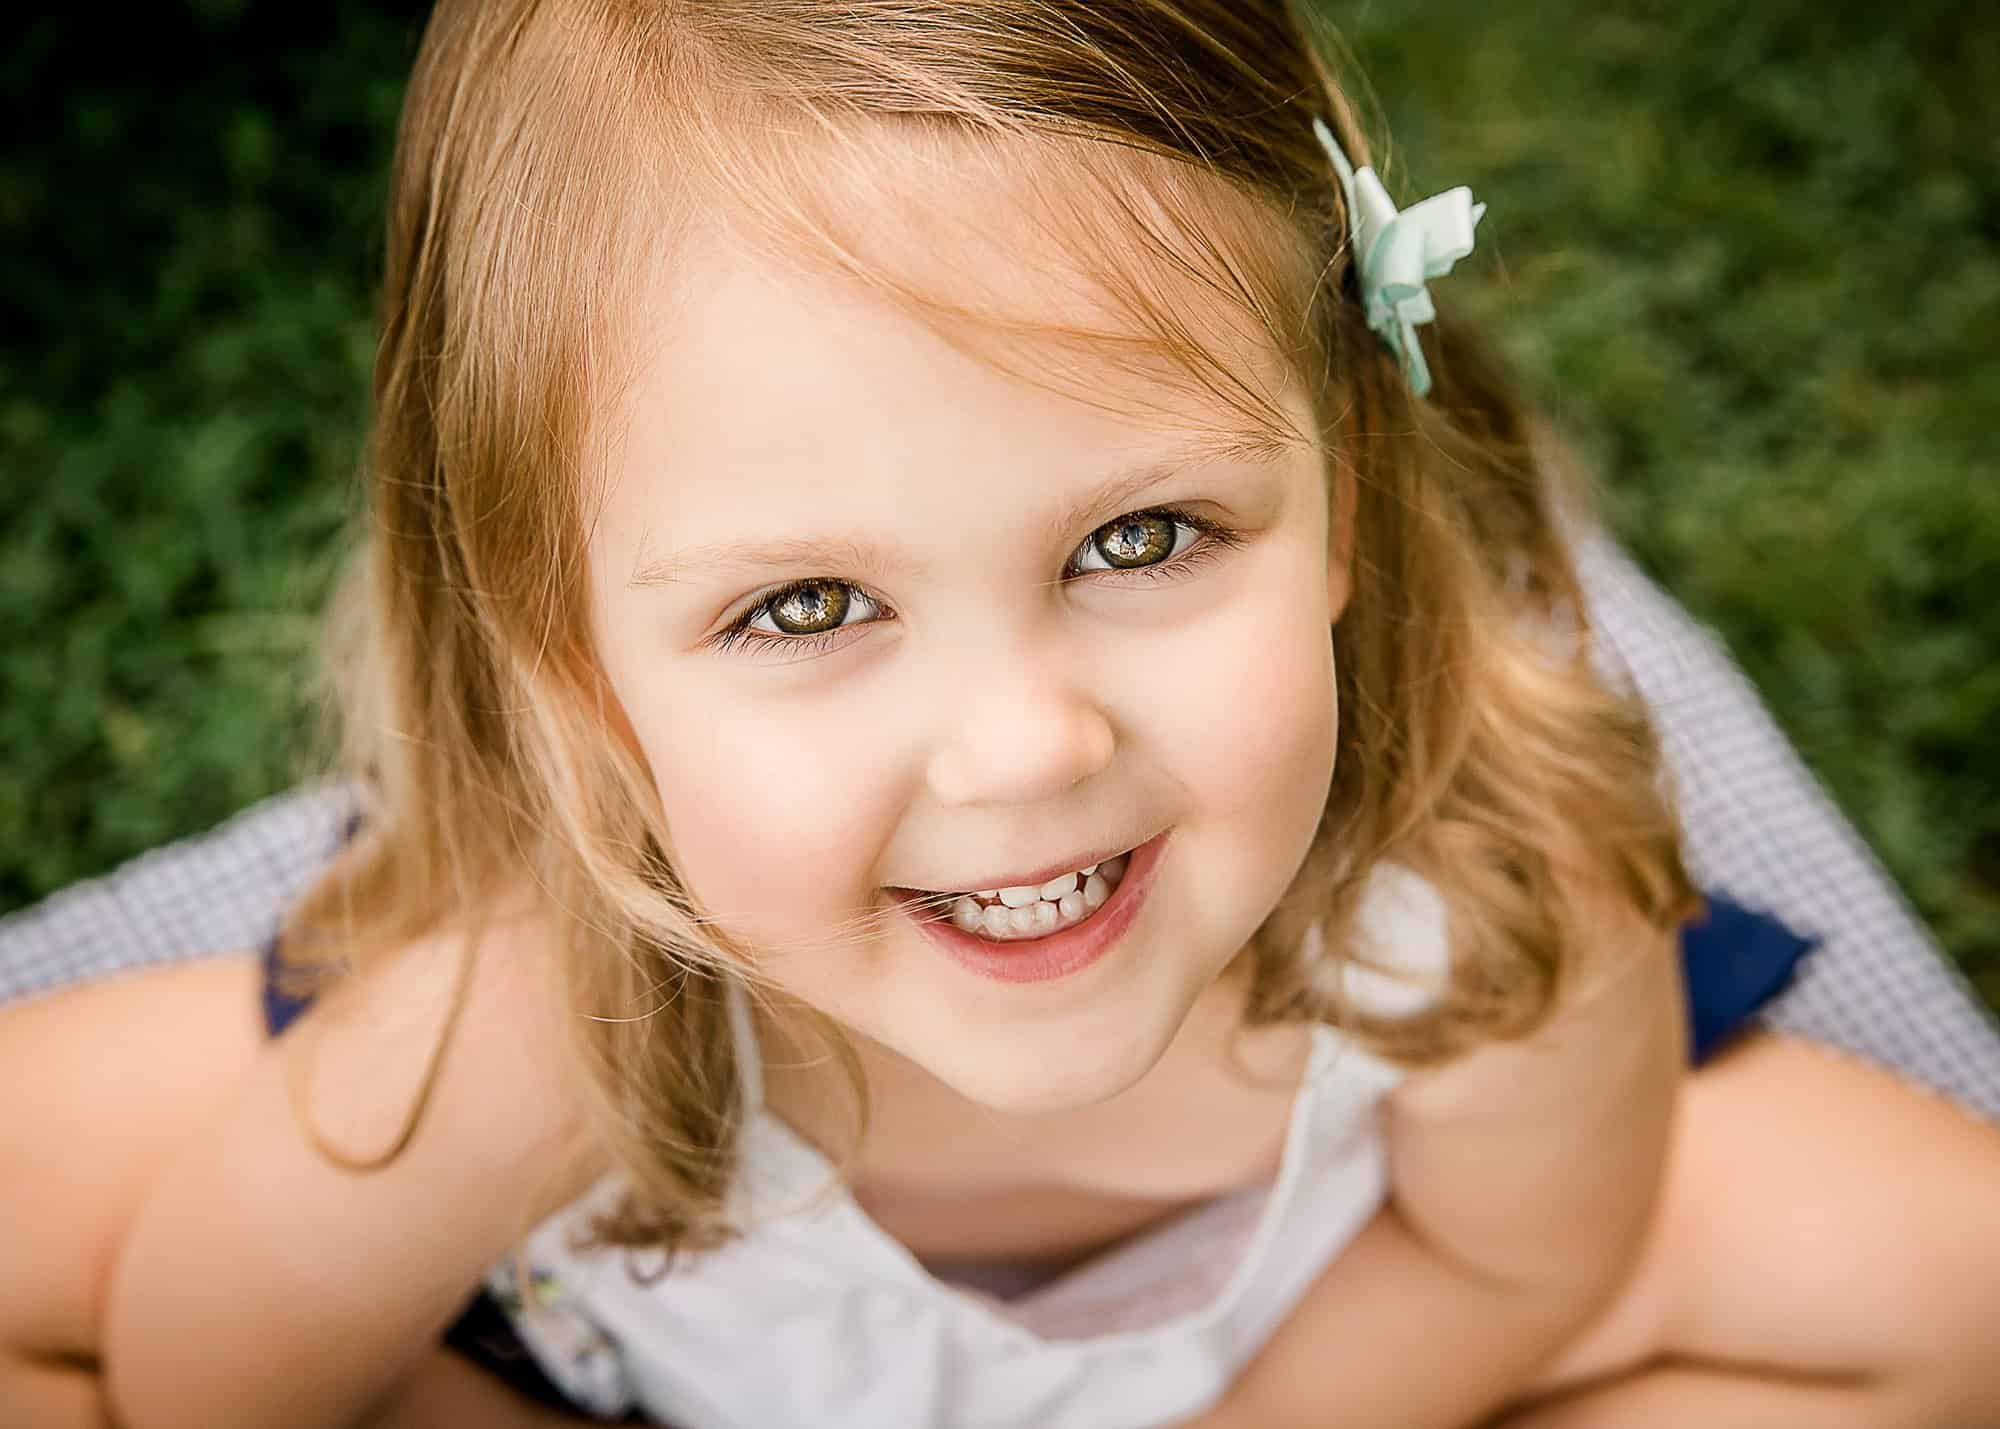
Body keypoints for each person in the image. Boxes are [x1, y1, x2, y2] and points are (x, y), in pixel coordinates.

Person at [4, 2, 1999, 1426]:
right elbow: (215, 1377)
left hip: (1320, 1308)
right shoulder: (525, 1025)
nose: (1025, 745)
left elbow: (1523, 1256)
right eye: (806, 603)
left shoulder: (1484, 894)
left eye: (1143, 535)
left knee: (1954, 1277)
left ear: (1345, 512)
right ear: (574, 672)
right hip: (647, 1310)